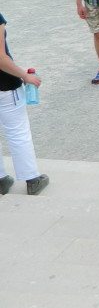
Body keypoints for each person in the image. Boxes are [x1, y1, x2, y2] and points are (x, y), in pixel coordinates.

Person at [0, 12, 48, 197]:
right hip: (4, 86)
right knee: (18, 131)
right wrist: (25, 75)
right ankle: (32, 179)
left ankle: (1, 180)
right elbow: (1, 58)